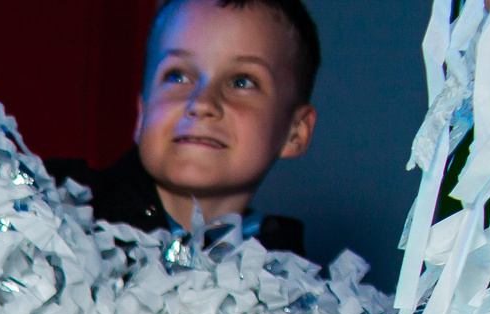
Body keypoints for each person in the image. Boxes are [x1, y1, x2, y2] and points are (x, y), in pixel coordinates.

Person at [49, 0, 319, 256]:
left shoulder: (300, 291)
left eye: (241, 82)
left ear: (295, 132)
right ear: (142, 116)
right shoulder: (50, 204)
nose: (202, 103)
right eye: (177, 76)